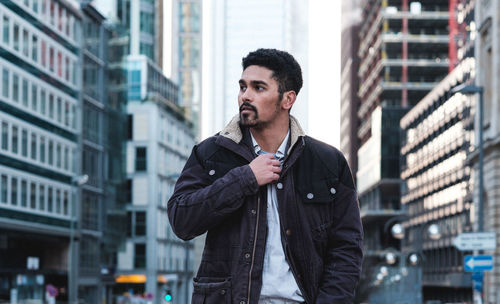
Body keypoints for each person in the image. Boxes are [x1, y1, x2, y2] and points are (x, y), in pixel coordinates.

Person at [168, 48, 363, 304]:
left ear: (287, 99)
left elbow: (346, 248)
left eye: (258, 88)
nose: (245, 96)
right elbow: (181, 220)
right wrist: (245, 178)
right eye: (242, 87)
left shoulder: (327, 161)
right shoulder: (211, 153)